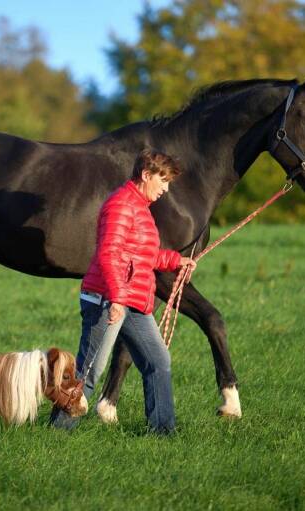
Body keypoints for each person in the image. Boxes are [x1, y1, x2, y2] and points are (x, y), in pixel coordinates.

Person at [50, 149, 196, 435]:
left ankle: (163, 432)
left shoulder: (140, 209)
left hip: (131, 300)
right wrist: (117, 298)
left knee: (158, 361)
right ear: (146, 175)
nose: (166, 189)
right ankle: (58, 432)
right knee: (91, 370)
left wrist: (176, 261)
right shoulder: (120, 205)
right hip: (108, 299)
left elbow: (144, 256)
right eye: (163, 180)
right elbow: (109, 253)